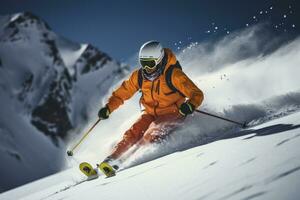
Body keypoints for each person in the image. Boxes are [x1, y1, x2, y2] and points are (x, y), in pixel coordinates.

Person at [98, 41, 204, 173]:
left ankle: (126, 161)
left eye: (150, 63)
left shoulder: (173, 74)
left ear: (159, 60)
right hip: (150, 114)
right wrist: (108, 108)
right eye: (144, 63)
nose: (147, 68)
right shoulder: (139, 76)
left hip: (173, 112)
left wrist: (190, 105)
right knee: (133, 133)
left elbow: (196, 94)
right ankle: (111, 159)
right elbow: (122, 93)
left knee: (152, 133)